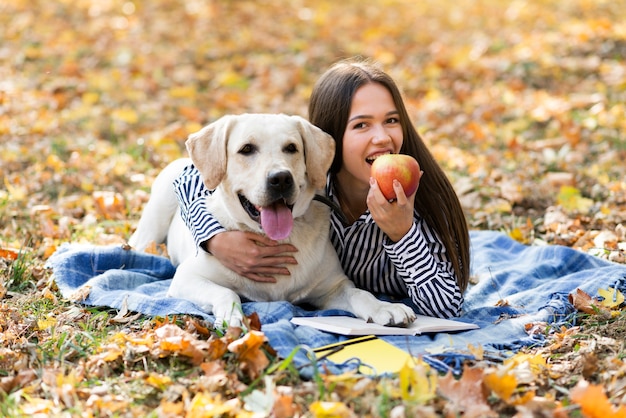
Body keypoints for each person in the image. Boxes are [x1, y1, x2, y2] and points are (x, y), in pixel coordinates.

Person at [173, 57, 470, 318]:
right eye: (362, 125)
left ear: (311, 152)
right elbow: (187, 176)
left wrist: (403, 233)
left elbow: (446, 307)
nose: (381, 137)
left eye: (391, 120)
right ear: (333, 136)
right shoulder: (321, 184)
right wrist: (212, 238)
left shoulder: (418, 198)